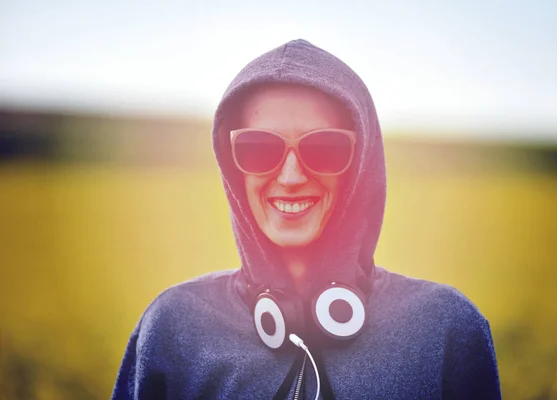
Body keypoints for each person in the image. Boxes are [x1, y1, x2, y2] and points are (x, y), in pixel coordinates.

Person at [111, 39, 502, 400]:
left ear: (361, 163)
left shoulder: (446, 329)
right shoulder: (173, 327)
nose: (291, 177)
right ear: (232, 168)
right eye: (258, 148)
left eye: (325, 148)